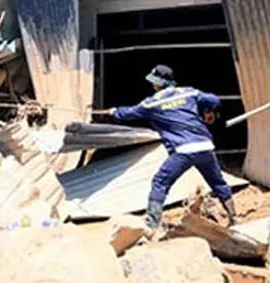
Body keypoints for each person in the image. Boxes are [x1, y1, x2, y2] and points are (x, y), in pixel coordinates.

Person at [101, 64, 237, 232]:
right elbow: (214, 100)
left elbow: (127, 114)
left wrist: (114, 112)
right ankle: (233, 218)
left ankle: (151, 225)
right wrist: (209, 112)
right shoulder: (189, 92)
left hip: (183, 151)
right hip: (205, 147)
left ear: (157, 84)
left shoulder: (151, 104)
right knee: (218, 183)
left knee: (160, 182)